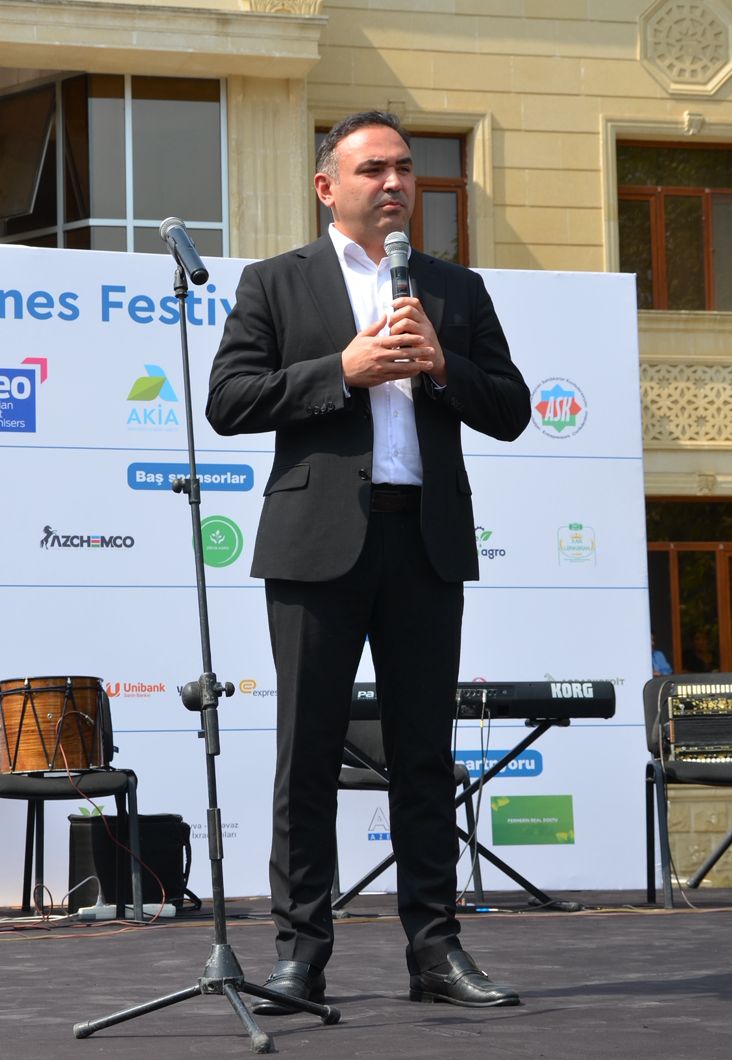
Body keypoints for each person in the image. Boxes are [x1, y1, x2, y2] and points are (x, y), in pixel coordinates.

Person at [206, 110, 530, 1012]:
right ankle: (300, 955)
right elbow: (228, 400)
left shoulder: (454, 287)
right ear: (327, 188)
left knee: (424, 755)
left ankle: (435, 950)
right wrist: (341, 371)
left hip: (424, 541)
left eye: (405, 169)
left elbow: (511, 408)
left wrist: (444, 367)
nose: (394, 184)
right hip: (317, 547)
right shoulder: (276, 282)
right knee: (307, 753)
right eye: (373, 169)